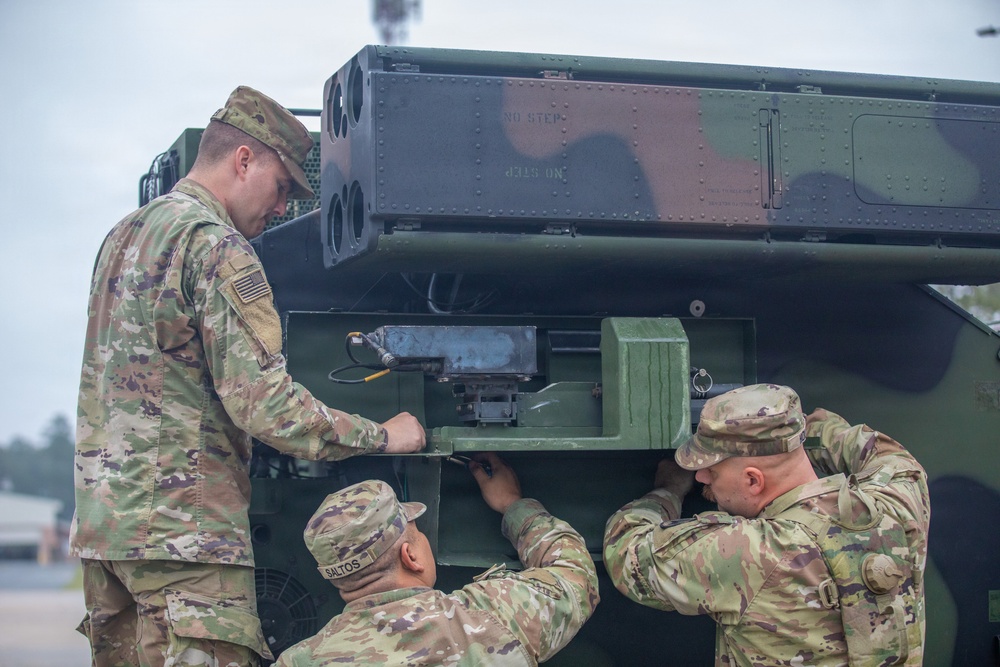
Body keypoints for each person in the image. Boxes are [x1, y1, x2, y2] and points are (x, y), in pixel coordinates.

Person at [70, 86, 425, 667]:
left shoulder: (124, 235)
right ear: (243, 161)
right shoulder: (215, 246)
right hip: (188, 543)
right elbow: (266, 406)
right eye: (282, 185)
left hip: (107, 534)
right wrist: (384, 435)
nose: (282, 207)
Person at [603, 383, 930, 666]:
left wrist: (669, 490)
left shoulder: (754, 551)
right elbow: (884, 455)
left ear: (753, 481)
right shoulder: (899, 502)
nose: (701, 476)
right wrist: (791, 432)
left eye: (711, 469)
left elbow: (627, 550)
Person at [275, 452, 600, 666]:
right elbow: (576, 577)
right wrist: (513, 506)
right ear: (411, 555)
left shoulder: (298, 661)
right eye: (416, 531)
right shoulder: (490, 615)